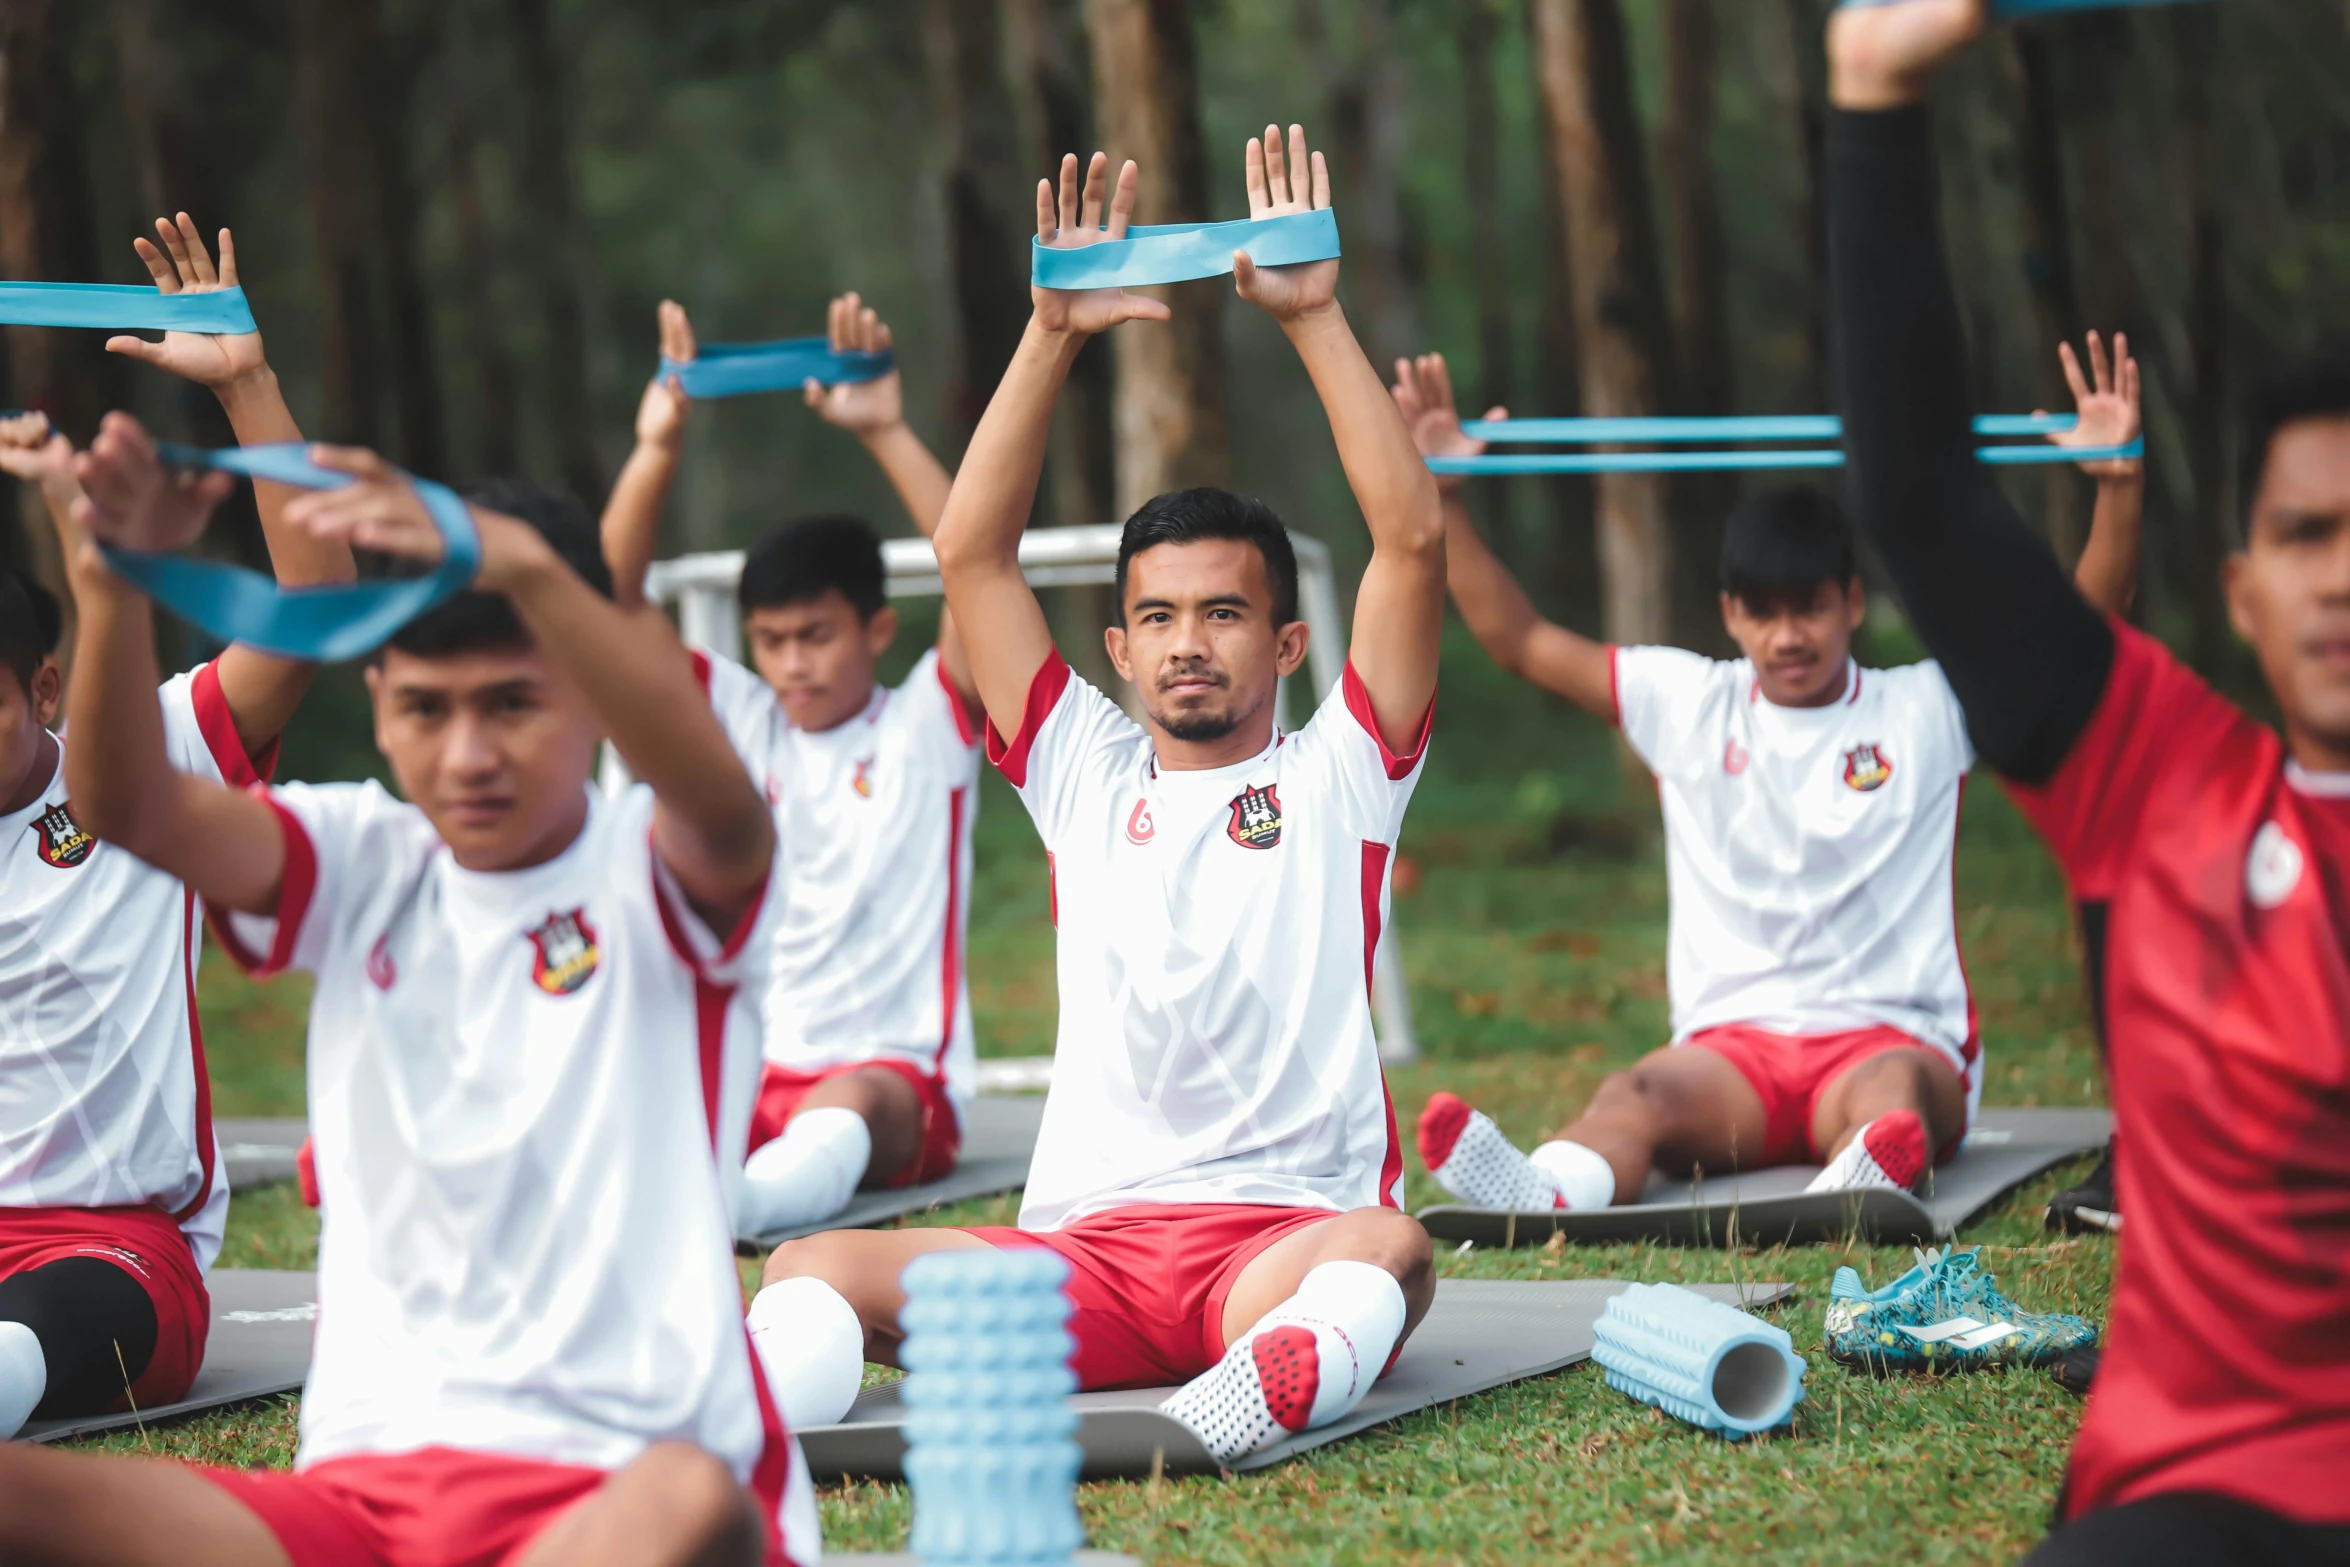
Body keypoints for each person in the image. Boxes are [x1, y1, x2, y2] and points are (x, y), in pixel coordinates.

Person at [0, 414, 818, 1567]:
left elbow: (726, 808)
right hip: (367, 1506)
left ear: (587, 692)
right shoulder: (361, 864)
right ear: (378, 701)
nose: (469, 754)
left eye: (512, 705)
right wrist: (114, 575)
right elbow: (126, 802)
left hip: (619, 1485)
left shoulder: (663, 866)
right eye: (428, 709)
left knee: (690, 1503)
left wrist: (528, 561)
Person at [745, 126, 1441, 1464]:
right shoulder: (1078, 767)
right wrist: (1049, 332)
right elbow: (969, 551)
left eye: (1225, 612)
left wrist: (1313, 318)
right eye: (1159, 617)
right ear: (1115, 648)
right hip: (1087, 1265)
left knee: (1389, 1247)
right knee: (812, 1266)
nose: (1189, 641)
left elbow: (1407, 538)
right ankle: (755, 1429)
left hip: (1276, 1243)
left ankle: (1264, 1380)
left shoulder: (1341, 771)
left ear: (1286, 645)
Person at [1824, 2, 2350, 1562]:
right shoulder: (2158, 775)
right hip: (2199, 1486)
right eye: (2308, 537)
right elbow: (1918, 495)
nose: (2342, 579)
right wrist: (1871, 89)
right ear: (2242, 588)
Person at [1392, 335, 2143, 1211]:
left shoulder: (1924, 707)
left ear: (1852, 603)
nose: (1789, 636)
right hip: (1733, 1057)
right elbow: (1519, 641)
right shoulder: (1688, 700)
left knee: (1894, 1092)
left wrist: (2117, 487)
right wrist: (1445, 500)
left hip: (1887, 1038)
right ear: (1730, 614)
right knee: (1635, 1094)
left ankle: (1863, 1169)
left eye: (1811, 608)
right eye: (1764, 612)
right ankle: (1550, 1187)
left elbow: (2072, 639)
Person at [0, 216, 350, 1440]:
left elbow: (316, 605)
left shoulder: (154, 755)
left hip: (114, 1259)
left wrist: (246, 383)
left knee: (19, 1347)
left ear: (43, 688)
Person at [601, 293, 984, 1240]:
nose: (793, 663)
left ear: (877, 629)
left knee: (849, 1102)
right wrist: (655, 447)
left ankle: (739, 1211)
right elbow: (605, 605)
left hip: (895, 1083)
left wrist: (888, 429)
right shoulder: (741, 716)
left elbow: (980, 572)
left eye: (816, 635)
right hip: (750, 1066)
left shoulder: (929, 723)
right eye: (772, 640)